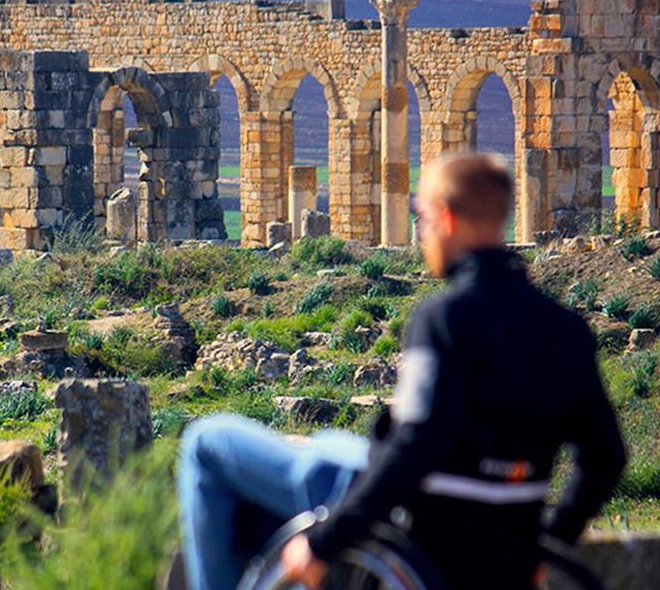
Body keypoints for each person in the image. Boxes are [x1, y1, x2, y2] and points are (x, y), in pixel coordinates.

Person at [176, 152, 627, 590]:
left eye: (423, 219)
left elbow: (417, 442)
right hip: (507, 536)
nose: (422, 233)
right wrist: (548, 540)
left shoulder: (443, 319)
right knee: (328, 442)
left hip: (416, 521)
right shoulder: (567, 330)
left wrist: (325, 542)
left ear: (447, 218)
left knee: (206, 442)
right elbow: (607, 457)